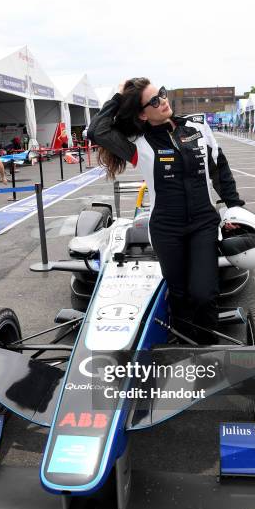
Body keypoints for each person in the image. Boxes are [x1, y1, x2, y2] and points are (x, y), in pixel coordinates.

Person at [88, 78, 245, 344]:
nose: (162, 101)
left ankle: (208, 347)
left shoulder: (197, 126)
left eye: (161, 94)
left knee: (204, 293)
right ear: (141, 113)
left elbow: (219, 168)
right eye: (153, 101)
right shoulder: (136, 143)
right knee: (179, 293)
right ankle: (184, 346)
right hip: (166, 228)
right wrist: (118, 95)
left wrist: (235, 209)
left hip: (203, 223)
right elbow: (97, 131)